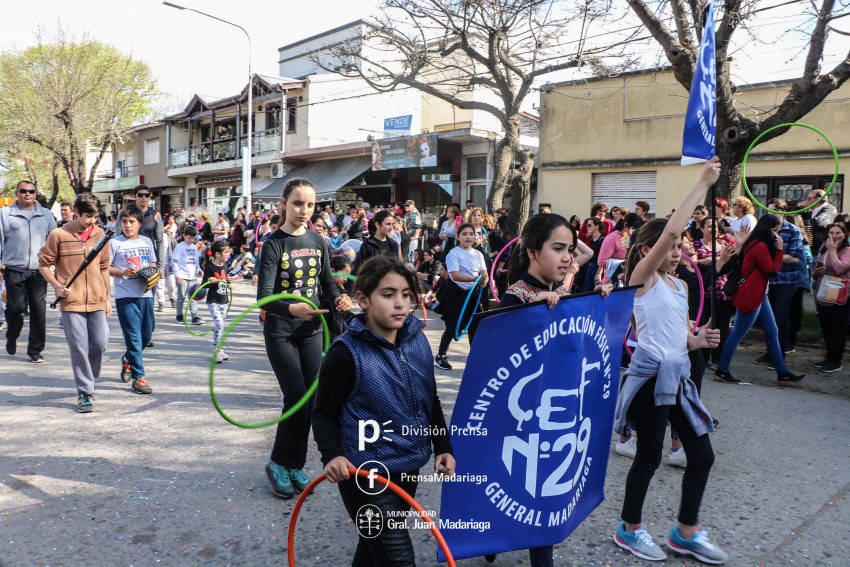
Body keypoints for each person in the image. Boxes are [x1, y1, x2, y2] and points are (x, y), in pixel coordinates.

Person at [612, 159, 728, 564]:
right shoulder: (640, 280)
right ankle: (629, 528)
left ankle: (685, 532)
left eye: (680, 248)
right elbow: (673, 228)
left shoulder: (679, 285)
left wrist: (696, 341)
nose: (677, 252)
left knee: (702, 456)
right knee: (648, 456)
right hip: (648, 378)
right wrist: (702, 182)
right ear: (648, 249)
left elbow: (678, 334)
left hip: (678, 376)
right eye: (671, 246)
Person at [312, 255, 455, 566]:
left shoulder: (418, 342)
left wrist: (443, 445)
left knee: (374, 552)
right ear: (363, 299)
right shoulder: (345, 353)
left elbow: (429, 400)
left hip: (407, 467)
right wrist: (332, 455)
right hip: (365, 475)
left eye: (406, 294)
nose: (400, 303)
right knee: (398, 560)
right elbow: (322, 412)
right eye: (388, 295)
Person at [491, 213, 611, 567]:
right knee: (514, 487)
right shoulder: (516, 298)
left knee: (544, 496)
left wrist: (598, 301)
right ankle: (489, 540)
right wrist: (531, 315)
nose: (567, 258)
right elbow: (494, 359)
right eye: (558, 248)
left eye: (570, 250)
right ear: (531, 252)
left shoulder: (563, 292)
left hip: (557, 416)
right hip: (520, 419)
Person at [257, 177, 353, 499]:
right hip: (281, 332)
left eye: (310, 204)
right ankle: (277, 463)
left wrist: (340, 296)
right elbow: (264, 297)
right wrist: (291, 309)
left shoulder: (318, 240)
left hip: (312, 333)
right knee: (295, 397)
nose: (303, 210)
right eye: (297, 203)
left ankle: (294, 464)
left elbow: (327, 281)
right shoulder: (273, 245)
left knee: (310, 402)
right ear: (283, 203)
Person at [38, 193, 111, 413]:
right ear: (76, 212)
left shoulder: (101, 234)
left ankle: (88, 373)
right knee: (78, 347)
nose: (92, 221)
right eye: (88, 216)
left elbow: (104, 267)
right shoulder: (58, 235)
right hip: (71, 301)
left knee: (99, 343)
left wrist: (108, 297)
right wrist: (56, 285)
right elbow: (43, 264)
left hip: (97, 299)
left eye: (95, 216)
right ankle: (85, 391)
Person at [714, 214, 806, 384]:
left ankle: (782, 371)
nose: (776, 235)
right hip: (752, 295)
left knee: (772, 332)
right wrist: (779, 250)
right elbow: (771, 270)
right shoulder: (760, 246)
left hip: (759, 294)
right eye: (774, 231)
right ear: (766, 230)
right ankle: (722, 370)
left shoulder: (756, 243)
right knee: (738, 334)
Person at [0, 180, 57, 362]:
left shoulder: (46, 215)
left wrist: (55, 263)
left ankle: (35, 350)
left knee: (39, 311)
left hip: (39, 271)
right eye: (23, 191)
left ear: (35, 193)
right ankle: (12, 334)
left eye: (31, 191)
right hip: (14, 270)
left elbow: (55, 241)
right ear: (17, 193)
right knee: (15, 309)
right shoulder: (5, 214)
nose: (27, 194)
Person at [109, 204, 157, 395]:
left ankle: (128, 359)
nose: (128, 225)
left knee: (147, 334)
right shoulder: (115, 243)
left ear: (139, 224)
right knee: (134, 337)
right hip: (125, 295)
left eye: (132, 222)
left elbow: (153, 262)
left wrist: (153, 273)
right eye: (124, 221)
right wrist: (123, 272)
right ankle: (139, 378)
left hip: (146, 294)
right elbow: (105, 267)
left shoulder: (146, 242)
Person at [752, 198, 805, 368]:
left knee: (781, 318)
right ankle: (770, 352)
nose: (770, 214)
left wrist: (775, 257)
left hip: (786, 280)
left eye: (774, 211)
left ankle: (779, 356)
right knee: (769, 319)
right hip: (768, 280)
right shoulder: (764, 230)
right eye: (768, 211)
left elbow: (796, 256)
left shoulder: (793, 230)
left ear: (783, 212)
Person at [433, 223, 488, 370]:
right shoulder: (454, 253)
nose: (468, 237)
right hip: (456, 292)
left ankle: (474, 357)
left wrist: (484, 280)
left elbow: (484, 272)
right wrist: (473, 279)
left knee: (475, 326)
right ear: (458, 237)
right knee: (453, 325)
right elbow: (455, 275)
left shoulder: (478, 254)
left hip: (473, 292)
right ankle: (440, 356)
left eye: (471, 234)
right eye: (464, 234)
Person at [813, 223, 850, 372]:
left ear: (845, 235)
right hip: (824, 293)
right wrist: (818, 272)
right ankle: (829, 357)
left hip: (840, 295)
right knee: (826, 327)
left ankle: (836, 361)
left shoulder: (847, 251)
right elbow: (815, 273)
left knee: (838, 329)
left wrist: (833, 251)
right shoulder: (824, 250)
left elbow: (840, 268)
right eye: (831, 233)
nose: (834, 236)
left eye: (838, 233)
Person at [203, 240, 232, 364]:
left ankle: (220, 349)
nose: (228, 255)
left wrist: (229, 285)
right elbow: (204, 285)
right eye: (226, 252)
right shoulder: (210, 266)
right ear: (218, 254)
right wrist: (210, 280)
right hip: (213, 301)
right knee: (219, 324)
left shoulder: (225, 265)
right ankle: (216, 350)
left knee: (221, 327)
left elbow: (225, 279)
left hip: (224, 300)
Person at [171, 225, 204, 325]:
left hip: (192, 276)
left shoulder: (194, 247)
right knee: (181, 297)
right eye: (189, 238)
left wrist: (198, 269)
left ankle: (194, 317)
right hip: (182, 276)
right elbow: (175, 262)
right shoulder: (180, 247)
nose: (191, 240)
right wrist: (178, 275)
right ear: (184, 235)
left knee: (193, 297)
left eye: (193, 238)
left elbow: (196, 261)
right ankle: (179, 315)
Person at [803, 188, 838, 255]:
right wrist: (799, 206)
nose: (806, 201)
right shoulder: (810, 211)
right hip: (810, 249)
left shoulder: (829, 209)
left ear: (818, 199)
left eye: (809, 198)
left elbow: (819, 222)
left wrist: (802, 223)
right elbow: (793, 217)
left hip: (821, 249)